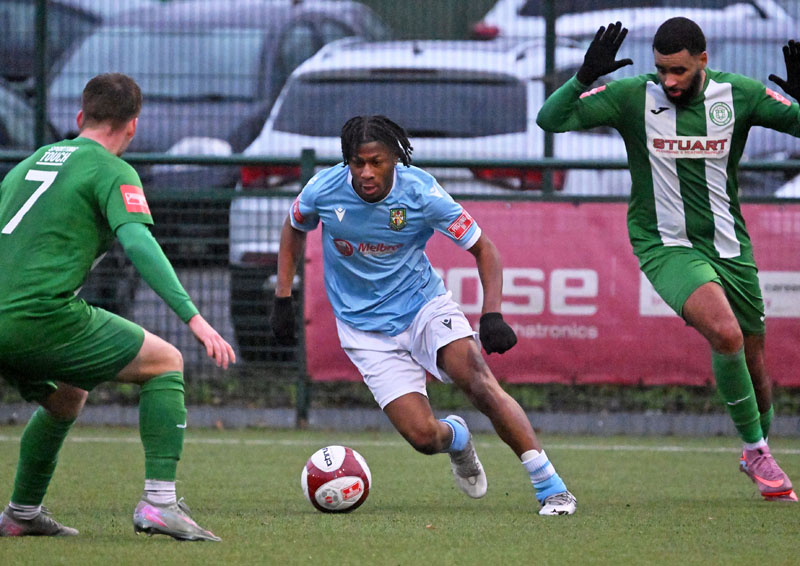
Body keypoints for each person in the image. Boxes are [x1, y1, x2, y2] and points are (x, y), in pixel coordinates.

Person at [537, 18, 800, 502]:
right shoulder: (633, 97)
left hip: (730, 245)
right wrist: (583, 78)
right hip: (664, 242)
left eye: (679, 70)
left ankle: (755, 449)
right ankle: (757, 449)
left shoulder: (738, 95)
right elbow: (550, 120)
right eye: (662, 70)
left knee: (756, 362)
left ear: (703, 59)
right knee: (725, 333)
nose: (670, 81)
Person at [270, 115, 576, 515]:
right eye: (357, 163)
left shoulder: (421, 192)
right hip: (364, 331)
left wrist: (492, 314)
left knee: (478, 381)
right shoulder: (324, 190)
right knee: (424, 438)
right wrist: (283, 297)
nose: (366, 172)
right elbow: (294, 226)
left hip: (423, 308)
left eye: (376, 162)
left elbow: (484, 249)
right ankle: (457, 438)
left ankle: (552, 488)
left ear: (395, 159)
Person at [0, 73, 236, 539]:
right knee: (165, 362)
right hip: (39, 316)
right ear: (133, 126)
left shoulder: (27, 164)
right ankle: (159, 503)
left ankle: (21, 513)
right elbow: (139, 243)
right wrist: (195, 319)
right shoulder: (112, 170)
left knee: (66, 396)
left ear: (80, 117)